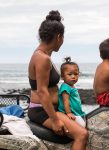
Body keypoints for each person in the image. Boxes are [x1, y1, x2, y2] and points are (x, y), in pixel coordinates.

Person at [28, 10, 88, 150]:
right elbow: (42, 91)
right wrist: (55, 120)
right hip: (41, 111)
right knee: (82, 135)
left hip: (50, 108)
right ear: (59, 37)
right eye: (63, 37)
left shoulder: (44, 55)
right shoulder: (42, 58)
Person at [58, 57, 86, 127]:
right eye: (70, 74)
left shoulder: (71, 86)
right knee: (82, 125)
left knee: (84, 125)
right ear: (62, 76)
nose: (73, 76)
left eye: (76, 74)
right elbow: (66, 101)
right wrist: (69, 113)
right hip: (70, 113)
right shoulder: (65, 87)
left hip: (76, 112)